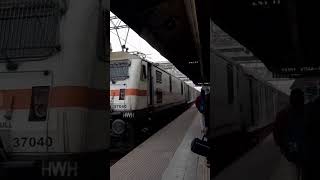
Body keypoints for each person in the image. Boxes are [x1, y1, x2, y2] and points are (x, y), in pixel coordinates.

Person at [273, 88, 306, 179]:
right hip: (306, 150)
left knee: (293, 172)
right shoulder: (308, 112)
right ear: (303, 99)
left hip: (291, 148)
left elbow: (277, 133)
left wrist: (282, 147)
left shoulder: (283, 114)